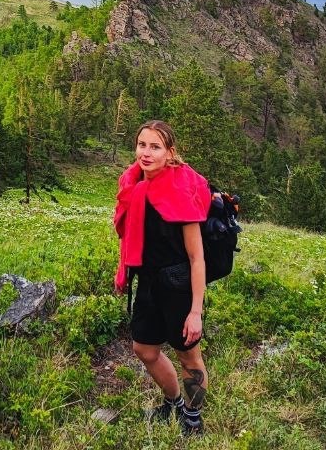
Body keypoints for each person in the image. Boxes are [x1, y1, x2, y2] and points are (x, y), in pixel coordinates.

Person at [114, 119, 211, 436]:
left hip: (178, 286)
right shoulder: (136, 186)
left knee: (188, 356)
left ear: (170, 153)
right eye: (142, 144)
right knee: (144, 349)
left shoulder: (180, 192)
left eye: (155, 146)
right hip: (149, 282)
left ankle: (193, 418)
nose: (146, 152)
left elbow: (197, 258)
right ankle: (174, 403)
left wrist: (195, 311)